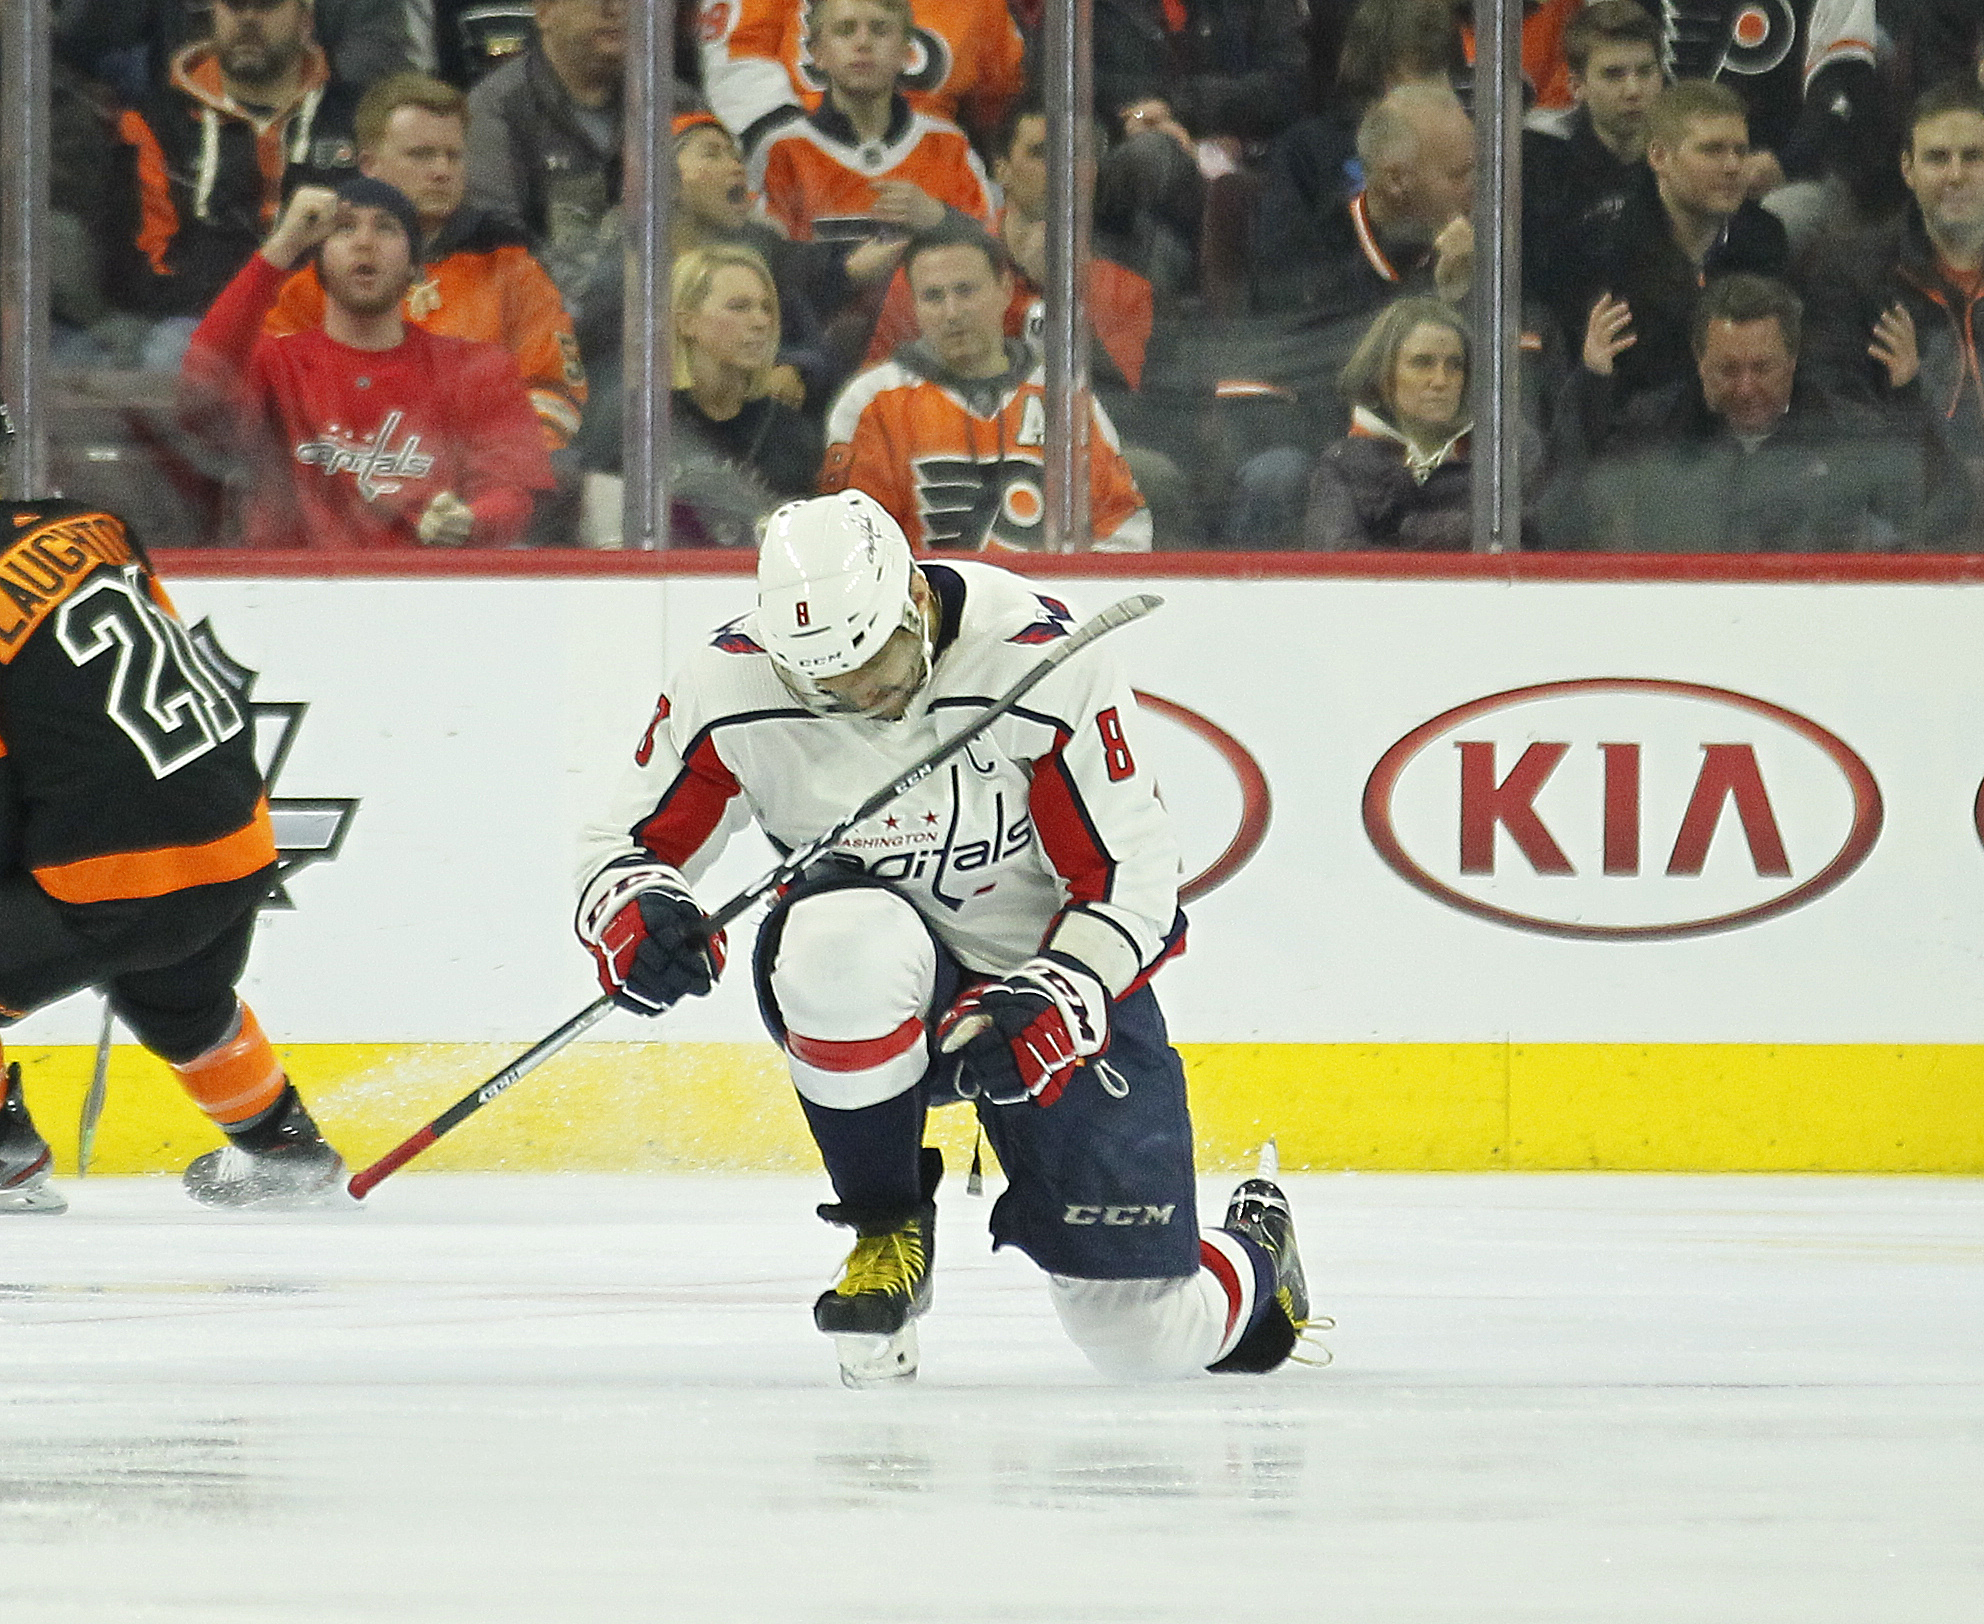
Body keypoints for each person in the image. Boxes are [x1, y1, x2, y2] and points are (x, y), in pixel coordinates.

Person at [573, 488, 1315, 1386]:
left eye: (876, 664)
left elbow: (1134, 876)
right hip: (886, 977)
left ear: (916, 600)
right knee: (839, 941)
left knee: (1142, 1341)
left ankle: (1259, 1254)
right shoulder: (729, 683)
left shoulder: (1036, 657)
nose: (859, 697)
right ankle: (884, 1224)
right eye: (825, 684)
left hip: (1046, 973)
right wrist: (638, 915)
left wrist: (1060, 994)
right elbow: (623, 846)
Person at [0, 411, 345, 1216]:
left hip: (110, 878)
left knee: (120, 918)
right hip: (237, 844)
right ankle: (282, 1146)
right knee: (179, 997)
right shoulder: (92, 526)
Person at [180, 177, 555, 549]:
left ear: (415, 266)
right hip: (293, 582)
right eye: (344, 228)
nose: (365, 242)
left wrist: (472, 520)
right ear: (318, 263)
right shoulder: (272, 363)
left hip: (424, 582)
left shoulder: (477, 369)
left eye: (386, 228)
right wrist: (283, 246)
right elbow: (202, 384)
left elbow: (510, 492)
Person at [264, 73, 588, 455]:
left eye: (453, 155)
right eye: (421, 155)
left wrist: (499, 467)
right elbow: (265, 390)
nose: (442, 170)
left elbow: (554, 393)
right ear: (369, 164)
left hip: (479, 477)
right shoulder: (319, 274)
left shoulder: (511, 267)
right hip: (344, 471)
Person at [1552, 273, 1966, 549]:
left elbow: (1940, 516)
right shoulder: (1653, 428)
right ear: (1699, 360)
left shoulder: (1847, 432)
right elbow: (1569, 507)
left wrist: (1910, 401)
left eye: (1762, 368)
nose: (1746, 387)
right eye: (1728, 370)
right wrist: (1592, 387)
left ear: (1792, 360)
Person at [821, 221, 1153, 552]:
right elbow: (855, 543)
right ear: (915, 306)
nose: (952, 313)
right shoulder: (871, 402)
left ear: (1005, 289)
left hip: (1049, 586)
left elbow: (1122, 529)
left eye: (966, 291)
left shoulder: (1065, 399)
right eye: (933, 297)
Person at [106, 0, 361, 368]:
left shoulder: (358, 116)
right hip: (197, 321)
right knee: (171, 355)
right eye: (235, 5)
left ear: (306, 19)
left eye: (267, 6)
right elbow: (142, 264)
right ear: (214, 13)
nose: (248, 19)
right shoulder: (156, 121)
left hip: (332, 318)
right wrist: (240, 304)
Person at [1553, 79, 1790, 432]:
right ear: (1659, 156)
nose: (1732, 166)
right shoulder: (1602, 248)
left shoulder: (1765, 239)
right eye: (1712, 150)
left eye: (1741, 151)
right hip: (1641, 445)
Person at [575, 246, 825, 548]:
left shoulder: (790, 433)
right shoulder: (632, 419)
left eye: (766, 308)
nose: (761, 321)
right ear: (686, 322)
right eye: (739, 307)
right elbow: (601, 538)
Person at [1802, 80, 1984, 480]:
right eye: (1937, 158)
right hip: (1910, 497)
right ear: (1907, 169)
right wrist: (1910, 399)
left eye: (1974, 156)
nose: (1956, 174)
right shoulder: (1852, 274)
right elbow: (1838, 411)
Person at [745, 0, 997, 247]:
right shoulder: (782, 151)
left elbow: (993, 251)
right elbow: (766, 261)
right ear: (817, 53)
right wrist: (846, 269)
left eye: (880, 30)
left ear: (906, 52)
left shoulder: (949, 146)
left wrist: (941, 220)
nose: (863, 42)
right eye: (845, 30)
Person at [1302, 296, 1537, 550]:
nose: (1440, 380)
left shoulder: (1505, 455)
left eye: (1455, 365)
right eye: (1422, 363)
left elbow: (1527, 548)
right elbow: (1338, 563)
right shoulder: (1343, 465)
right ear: (1382, 373)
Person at [464, 0, 643, 306]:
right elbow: (499, 236)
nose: (617, 9)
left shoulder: (670, 101)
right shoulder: (498, 108)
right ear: (545, 11)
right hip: (541, 309)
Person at [695, 0, 1026, 154]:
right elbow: (737, 58)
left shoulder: (980, 6)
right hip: (795, 167)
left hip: (929, 177)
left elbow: (1001, 105)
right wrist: (790, 143)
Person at [1521, 0, 1665, 315]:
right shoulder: (1540, 166)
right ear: (1577, 86)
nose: (1633, 90)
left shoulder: (1684, 158)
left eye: (1645, 72)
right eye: (1614, 75)